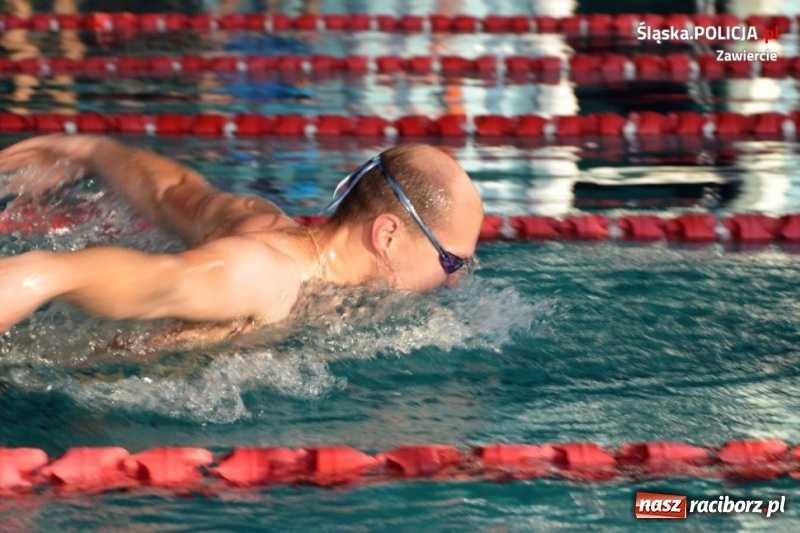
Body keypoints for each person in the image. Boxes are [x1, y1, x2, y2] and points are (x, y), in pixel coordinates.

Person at [0, 135, 483, 343]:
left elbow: (173, 191)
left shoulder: (257, 218)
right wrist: (37, 275)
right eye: (450, 262)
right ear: (388, 234)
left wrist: (91, 150)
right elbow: (150, 281)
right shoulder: (264, 277)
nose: (455, 283)